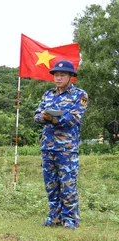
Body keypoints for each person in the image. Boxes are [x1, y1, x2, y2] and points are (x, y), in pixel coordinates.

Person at [34, 60, 88, 230]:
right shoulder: (48, 95)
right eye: (56, 75)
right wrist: (42, 117)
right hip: (48, 147)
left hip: (66, 148)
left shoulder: (80, 95)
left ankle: (70, 220)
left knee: (68, 184)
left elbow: (73, 119)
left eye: (62, 75)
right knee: (51, 184)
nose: (58, 78)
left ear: (71, 77)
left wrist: (53, 119)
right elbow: (36, 116)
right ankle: (54, 217)